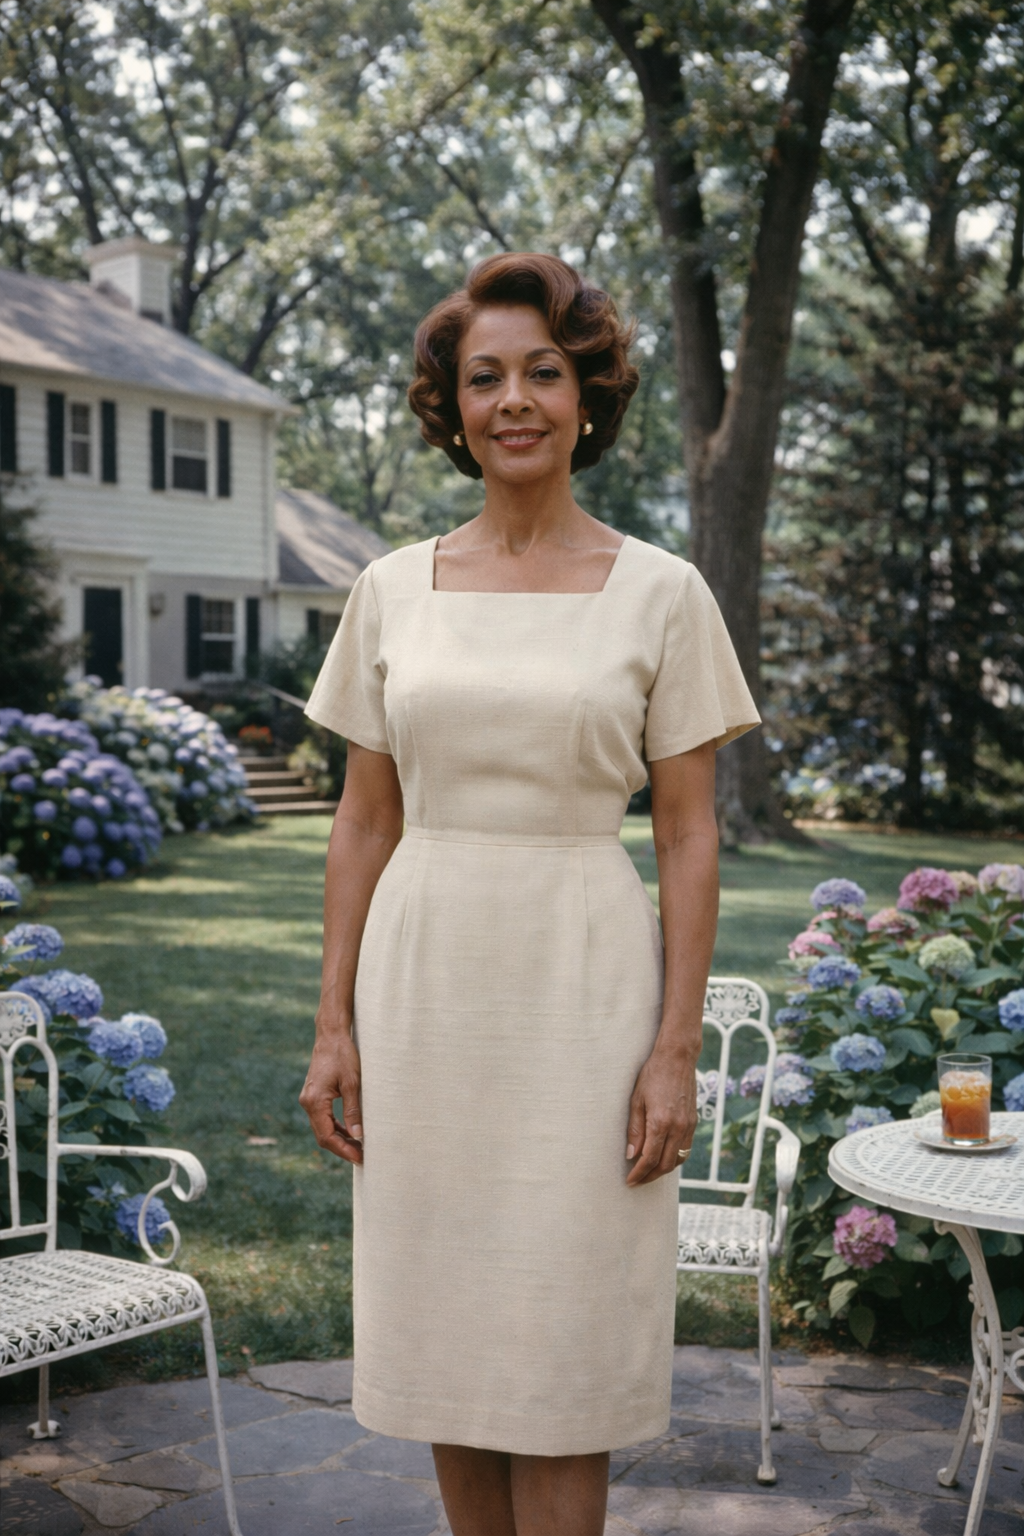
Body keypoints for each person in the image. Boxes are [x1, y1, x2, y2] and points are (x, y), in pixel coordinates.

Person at [299, 252, 759, 1536]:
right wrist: (333, 1026)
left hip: (584, 989)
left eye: (543, 373)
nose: (513, 399)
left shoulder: (663, 592)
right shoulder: (390, 588)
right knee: (449, 1324)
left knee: (565, 1339)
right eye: (483, 376)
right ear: (450, 405)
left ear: (586, 396)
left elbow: (687, 834)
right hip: (424, 992)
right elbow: (364, 819)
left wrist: (674, 1049)